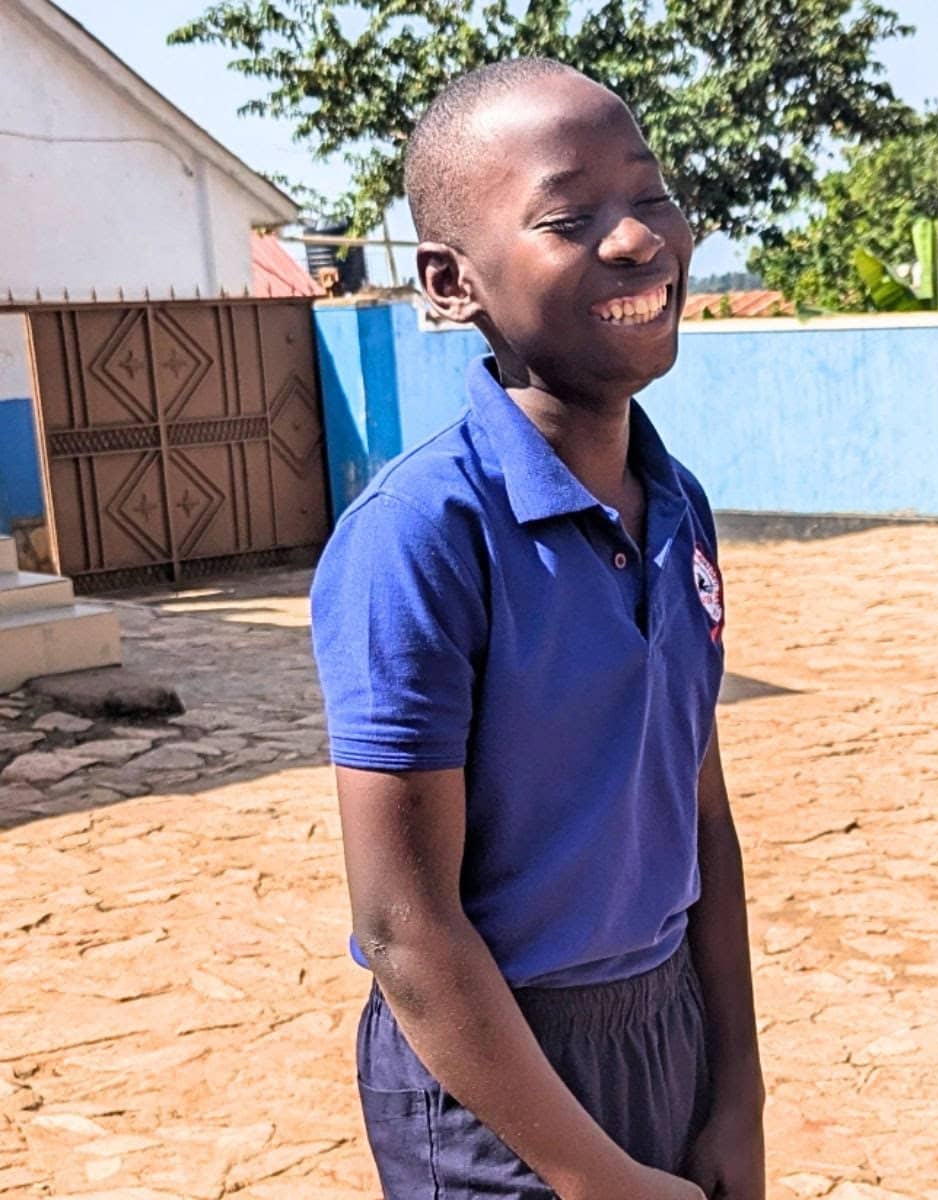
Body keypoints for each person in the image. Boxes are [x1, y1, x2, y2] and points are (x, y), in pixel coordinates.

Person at [310, 57, 764, 1200]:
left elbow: (698, 813)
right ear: (450, 283)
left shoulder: (678, 504)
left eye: (650, 195)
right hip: (492, 1073)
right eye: (570, 217)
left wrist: (739, 1094)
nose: (637, 240)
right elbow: (406, 926)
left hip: (667, 1027)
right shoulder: (418, 536)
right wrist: (598, 1177)